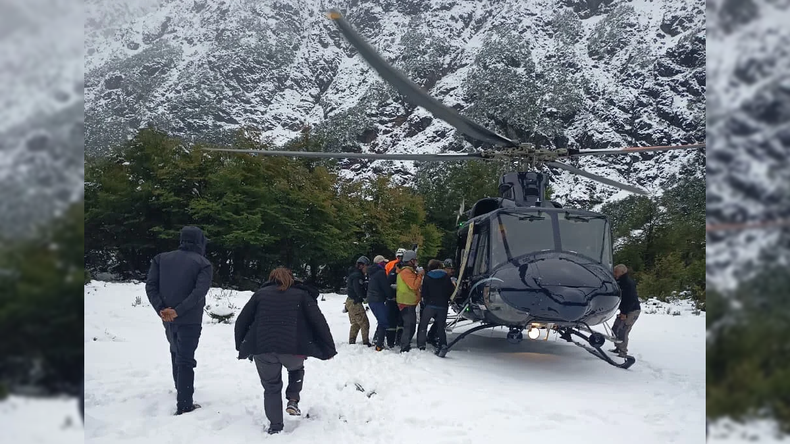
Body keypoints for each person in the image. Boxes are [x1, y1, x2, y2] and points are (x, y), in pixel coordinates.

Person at [235, 268, 336, 435]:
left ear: (271, 278)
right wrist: (328, 348)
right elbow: (318, 321)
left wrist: (242, 345)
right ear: (292, 278)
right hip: (293, 349)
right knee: (296, 369)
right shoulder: (302, 295)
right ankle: (293, 399)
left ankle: (275, 426)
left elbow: (242, 321)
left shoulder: (260, 295)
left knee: (271, 387)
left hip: (263, 349)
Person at [145, 226, 212, 415]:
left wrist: (162, 309)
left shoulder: (160, 259)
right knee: (185, 358)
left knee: (175, 350)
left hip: (167, 317)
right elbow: (199, 293)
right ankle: (184, 403)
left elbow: (151, 286)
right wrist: (178, 311)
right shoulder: (203, 264)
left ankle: (180, 387)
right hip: (189, 319)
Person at [417, 259, 455, 351]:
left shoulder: (427, 277)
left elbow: (424, 292)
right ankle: (443, 344)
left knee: (423, 325)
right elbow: (451, 290)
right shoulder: (446, 277)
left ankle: (421, 344)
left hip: (430, 304)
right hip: (442, 305)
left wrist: (426, 301)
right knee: (440, 326)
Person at [396, 250, 424, 352]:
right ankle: (404, 347)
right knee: (409, 326)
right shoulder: (407, 272)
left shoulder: (406, 271)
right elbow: (414, 285)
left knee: (410, 325)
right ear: (411, 261)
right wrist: (420, 275)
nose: (416, 262)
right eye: (415, 260)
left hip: (407, 302)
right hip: (407, 302)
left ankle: (405, 345)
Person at [611, 264, 641, 357]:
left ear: (623, 272)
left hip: (632, 310)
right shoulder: (619, 281)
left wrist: (624, 313)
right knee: (615, 328)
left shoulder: (628, 283)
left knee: (623, 330)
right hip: (624, 310)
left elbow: (630, 300)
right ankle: (617, 347)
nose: (614, 273)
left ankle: (623, 352)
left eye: (616, 272)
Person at [366, 255, 394, 351]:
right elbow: (385, 287)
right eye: (384, 263)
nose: (386, 264)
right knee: (383, 322)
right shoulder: (380, 273)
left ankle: (377, 340)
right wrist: (391, 295)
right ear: (380, 263)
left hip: (372, 299)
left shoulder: (372, 272)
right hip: (377, 300)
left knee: (381, 320)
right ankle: (379, 345)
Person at [346, 256, 372, 346]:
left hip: (350, 301)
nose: (367, 268)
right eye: (366, 266)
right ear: (361, 266)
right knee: (364, 322)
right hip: (355, 302)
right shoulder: (357, 276)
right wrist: (364, 296)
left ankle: (352, 342)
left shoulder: (353, 274)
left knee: (356, 323)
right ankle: (366, 342)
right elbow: (358, 290)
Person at [384, 248, 405, 346]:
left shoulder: (391, 265)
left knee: (399, 321)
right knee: (394, 320)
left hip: (399, 298)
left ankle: (396, 340)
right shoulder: (393, 267)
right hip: (394, 298)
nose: (399, 259)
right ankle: (393, 340)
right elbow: (388, 282)